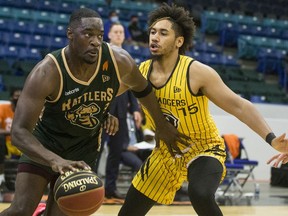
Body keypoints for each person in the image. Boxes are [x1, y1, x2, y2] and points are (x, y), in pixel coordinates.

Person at [0, 8, 188, 216]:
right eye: (88, 34)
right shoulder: (47, 72)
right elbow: (19, 133)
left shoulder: (119, 60)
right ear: (70, 34)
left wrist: (161, 126)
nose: (96, 42)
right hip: (45, 145)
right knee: (20, 210)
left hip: (83, 151)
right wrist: (55, 160)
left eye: (99, 35)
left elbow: (143, 89)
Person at [118, 3, 288, 216]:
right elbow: (106, 93)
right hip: (166, 153)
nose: (154, 37)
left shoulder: (196, 72)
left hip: (204, 149)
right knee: (128, 212)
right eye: (152, 32)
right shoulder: (140, 71)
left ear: (179, 41)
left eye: (163, 33)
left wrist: (271, 139)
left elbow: (239, 106)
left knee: (200, 193)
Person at [103, 22, 150, 199]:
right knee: (96, 149)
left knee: (116, 152)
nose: (118, 35)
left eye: (121, 32)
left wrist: (136, 108)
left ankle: (110, 189)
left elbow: (132, 83)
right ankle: (88, 187)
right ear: (109, 34)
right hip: (102, 108)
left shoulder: (127, 56)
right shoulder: (103, 53)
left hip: (121, 110)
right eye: (115, 32)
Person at [0, 88, 22, 190]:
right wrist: (14, 132)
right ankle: (1, 179)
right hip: (7, 144)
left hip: (23, 144)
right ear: (11, 98)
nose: (17, 99)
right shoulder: (3, 108)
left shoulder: (27, 109)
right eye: (16, 96)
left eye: (20, 96)